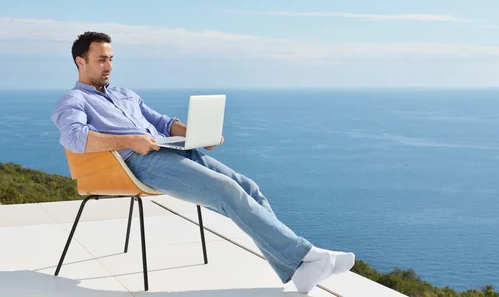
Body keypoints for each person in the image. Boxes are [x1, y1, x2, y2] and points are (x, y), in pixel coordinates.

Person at [51, 31, 355, 294]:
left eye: (111, 59)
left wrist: (197, 134)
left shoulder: (124, 94)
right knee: (226, 191)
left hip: (171, 150)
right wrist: (129, 140)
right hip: (139, 164)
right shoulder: (73, 101)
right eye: (102, 60)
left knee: (249, 188)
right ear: (81, 61)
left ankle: (298, 269)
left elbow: (162, 122)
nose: (109, 66)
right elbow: (75, 138)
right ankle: (306, 257)